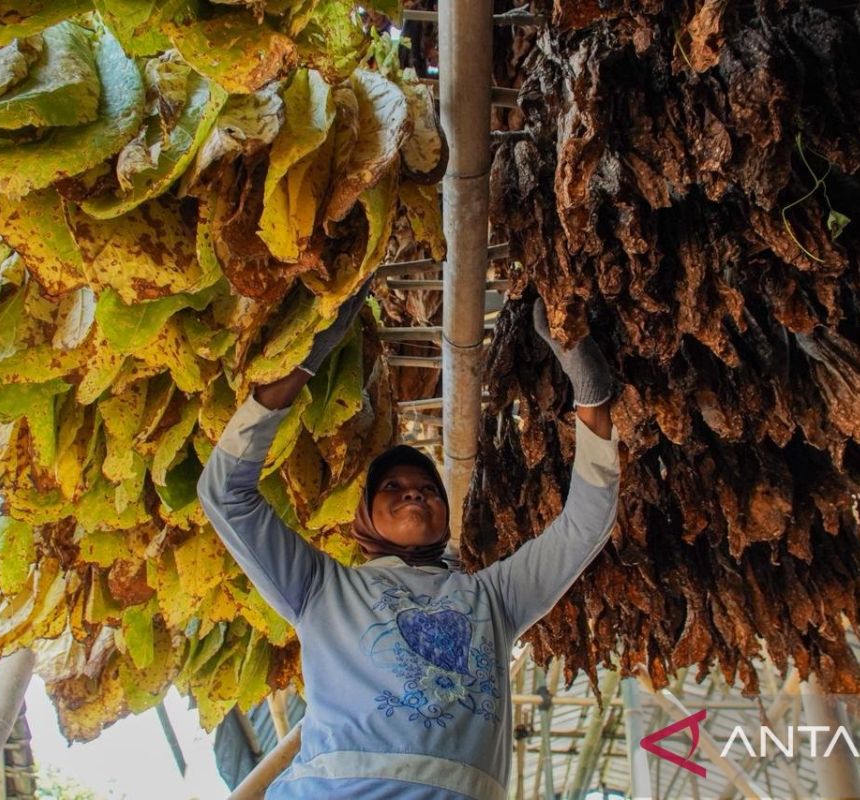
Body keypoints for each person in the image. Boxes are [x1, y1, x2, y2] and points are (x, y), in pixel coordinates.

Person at [198, 280, 621, 799]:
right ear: (364, 516)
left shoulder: (493, 598)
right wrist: (301, 365)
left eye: (427, 489)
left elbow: (585, 524)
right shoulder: (321, 589)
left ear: (447, 517)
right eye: (392, 487)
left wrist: (591, 397)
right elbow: (226, 495)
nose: (414, 496)